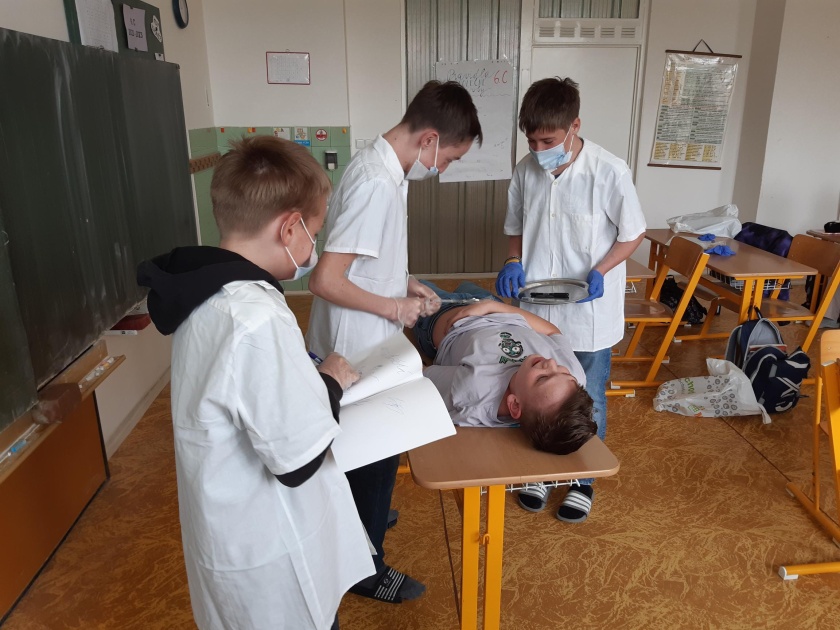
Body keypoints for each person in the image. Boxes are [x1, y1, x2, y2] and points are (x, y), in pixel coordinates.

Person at [137, 136, 374, 630]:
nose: (313, 248)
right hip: (270, 558)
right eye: (314, 233)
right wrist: (330, 382)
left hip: (230, 536)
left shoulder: (206, 293)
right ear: (289, 227)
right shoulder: (256, 316)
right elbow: (298, 460)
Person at [307, 80, 482, 604]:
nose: (443, 168)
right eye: (448, 158)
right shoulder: (375, 183)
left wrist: (404, 282)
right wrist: (394, 308)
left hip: (367, 337)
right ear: (429, 139)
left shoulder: (385, 169)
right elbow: (325, 278)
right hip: (356, 344)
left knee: (370, 452)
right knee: (374, 451)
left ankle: (369, 518)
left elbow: (364, 255)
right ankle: (367, 568)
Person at [496, 77, 646, 522]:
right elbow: (515, 226)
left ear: (574, 126)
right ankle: (542, 470)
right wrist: (512, 260)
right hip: (538, 306)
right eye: (531, 140)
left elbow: (632, 233)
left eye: (548, 141)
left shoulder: (609, 171)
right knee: (539, 391)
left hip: (588, 311)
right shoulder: (526, 170)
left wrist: (602, 269)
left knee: (588, 394)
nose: (539, 149)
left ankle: (583, 478)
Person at [415, 280, 596, 457]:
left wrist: (486, 308)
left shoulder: (476, 390)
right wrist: (492, 307)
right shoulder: (574, 380)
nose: (551, 363)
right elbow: (553, 332)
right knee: (466, 284)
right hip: (495, 306)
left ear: (515, 405)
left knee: (408, 282)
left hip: (443, 312)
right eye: (563, 372)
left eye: (542, 378)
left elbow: (421, 375)